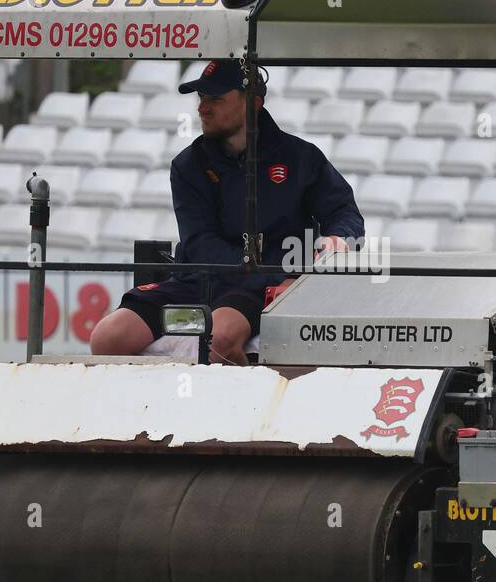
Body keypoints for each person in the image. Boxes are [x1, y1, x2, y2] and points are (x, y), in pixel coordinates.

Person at [89, 59, 364, 364]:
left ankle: (248, 409)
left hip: (259, 290)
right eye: (201, 98)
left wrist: (337, 240)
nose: (202, 108)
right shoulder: (188, 164)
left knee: (218, 339)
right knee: (107, 337)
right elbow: (200, 244)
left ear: (253, 103)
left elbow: (344, 213)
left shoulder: (301, 158)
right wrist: (274, 276)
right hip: (200, 281)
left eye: (215, 99)